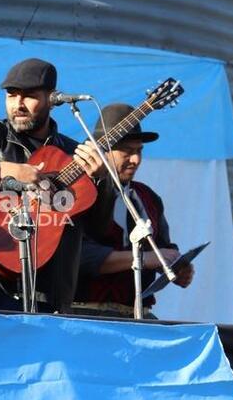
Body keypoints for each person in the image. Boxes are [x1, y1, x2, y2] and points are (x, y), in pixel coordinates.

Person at [0, 58, 114, 313]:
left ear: (52, 99)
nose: (18, 105)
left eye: (29, 96)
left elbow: (98, 230)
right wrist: (5, 170)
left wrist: (101, 182)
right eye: (12, 95)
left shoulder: (73, 154)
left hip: (50, 297)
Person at [74, 103, 194, 318]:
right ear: (102, 151)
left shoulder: (147, 196)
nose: (136, 160)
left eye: (139, 151)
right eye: (127, 152)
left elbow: (160, 248)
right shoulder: (78, 194)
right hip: (87, 314)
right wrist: (144, 259)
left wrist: (177, 267)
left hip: (140, 315)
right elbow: (80, 256)